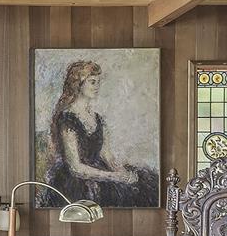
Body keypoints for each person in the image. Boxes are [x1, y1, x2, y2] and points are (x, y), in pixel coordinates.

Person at [42, 60, 158, 208]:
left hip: (100, 171)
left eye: (98, 82)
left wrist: (123, 174)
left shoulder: (98, 119)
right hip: (76, 181)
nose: (97, 86)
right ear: (78, 84)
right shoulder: (67, 119)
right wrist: (113, 177)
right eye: (92, 82)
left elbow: (107, 156)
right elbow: (75, 167)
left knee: (146, 182)